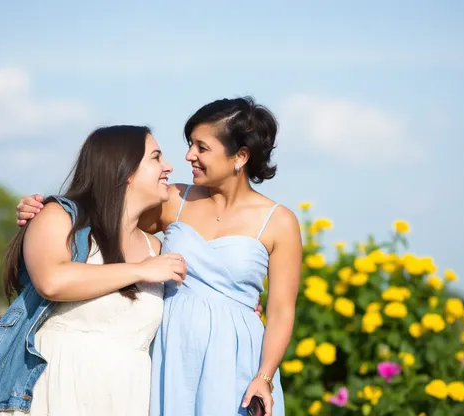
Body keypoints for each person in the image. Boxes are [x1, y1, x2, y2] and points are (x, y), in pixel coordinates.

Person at [16, 97, 302, 416]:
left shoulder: (279, 221)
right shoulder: (174, 200)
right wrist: (52, 210)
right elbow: (108, 214)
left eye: (201, 147)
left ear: (241, 156)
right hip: (171, 350)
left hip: (234, 355)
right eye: (190, 144)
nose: (188, 155)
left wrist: (264, 376)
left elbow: (280, 312)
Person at [0, 125, 188, 416]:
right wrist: (139, 271)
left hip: (127, 395)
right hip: (58, 388)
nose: (169, 166)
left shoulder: (155, 248)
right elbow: (52, 281)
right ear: (125, 170)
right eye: (156, 157)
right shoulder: (60, 218)